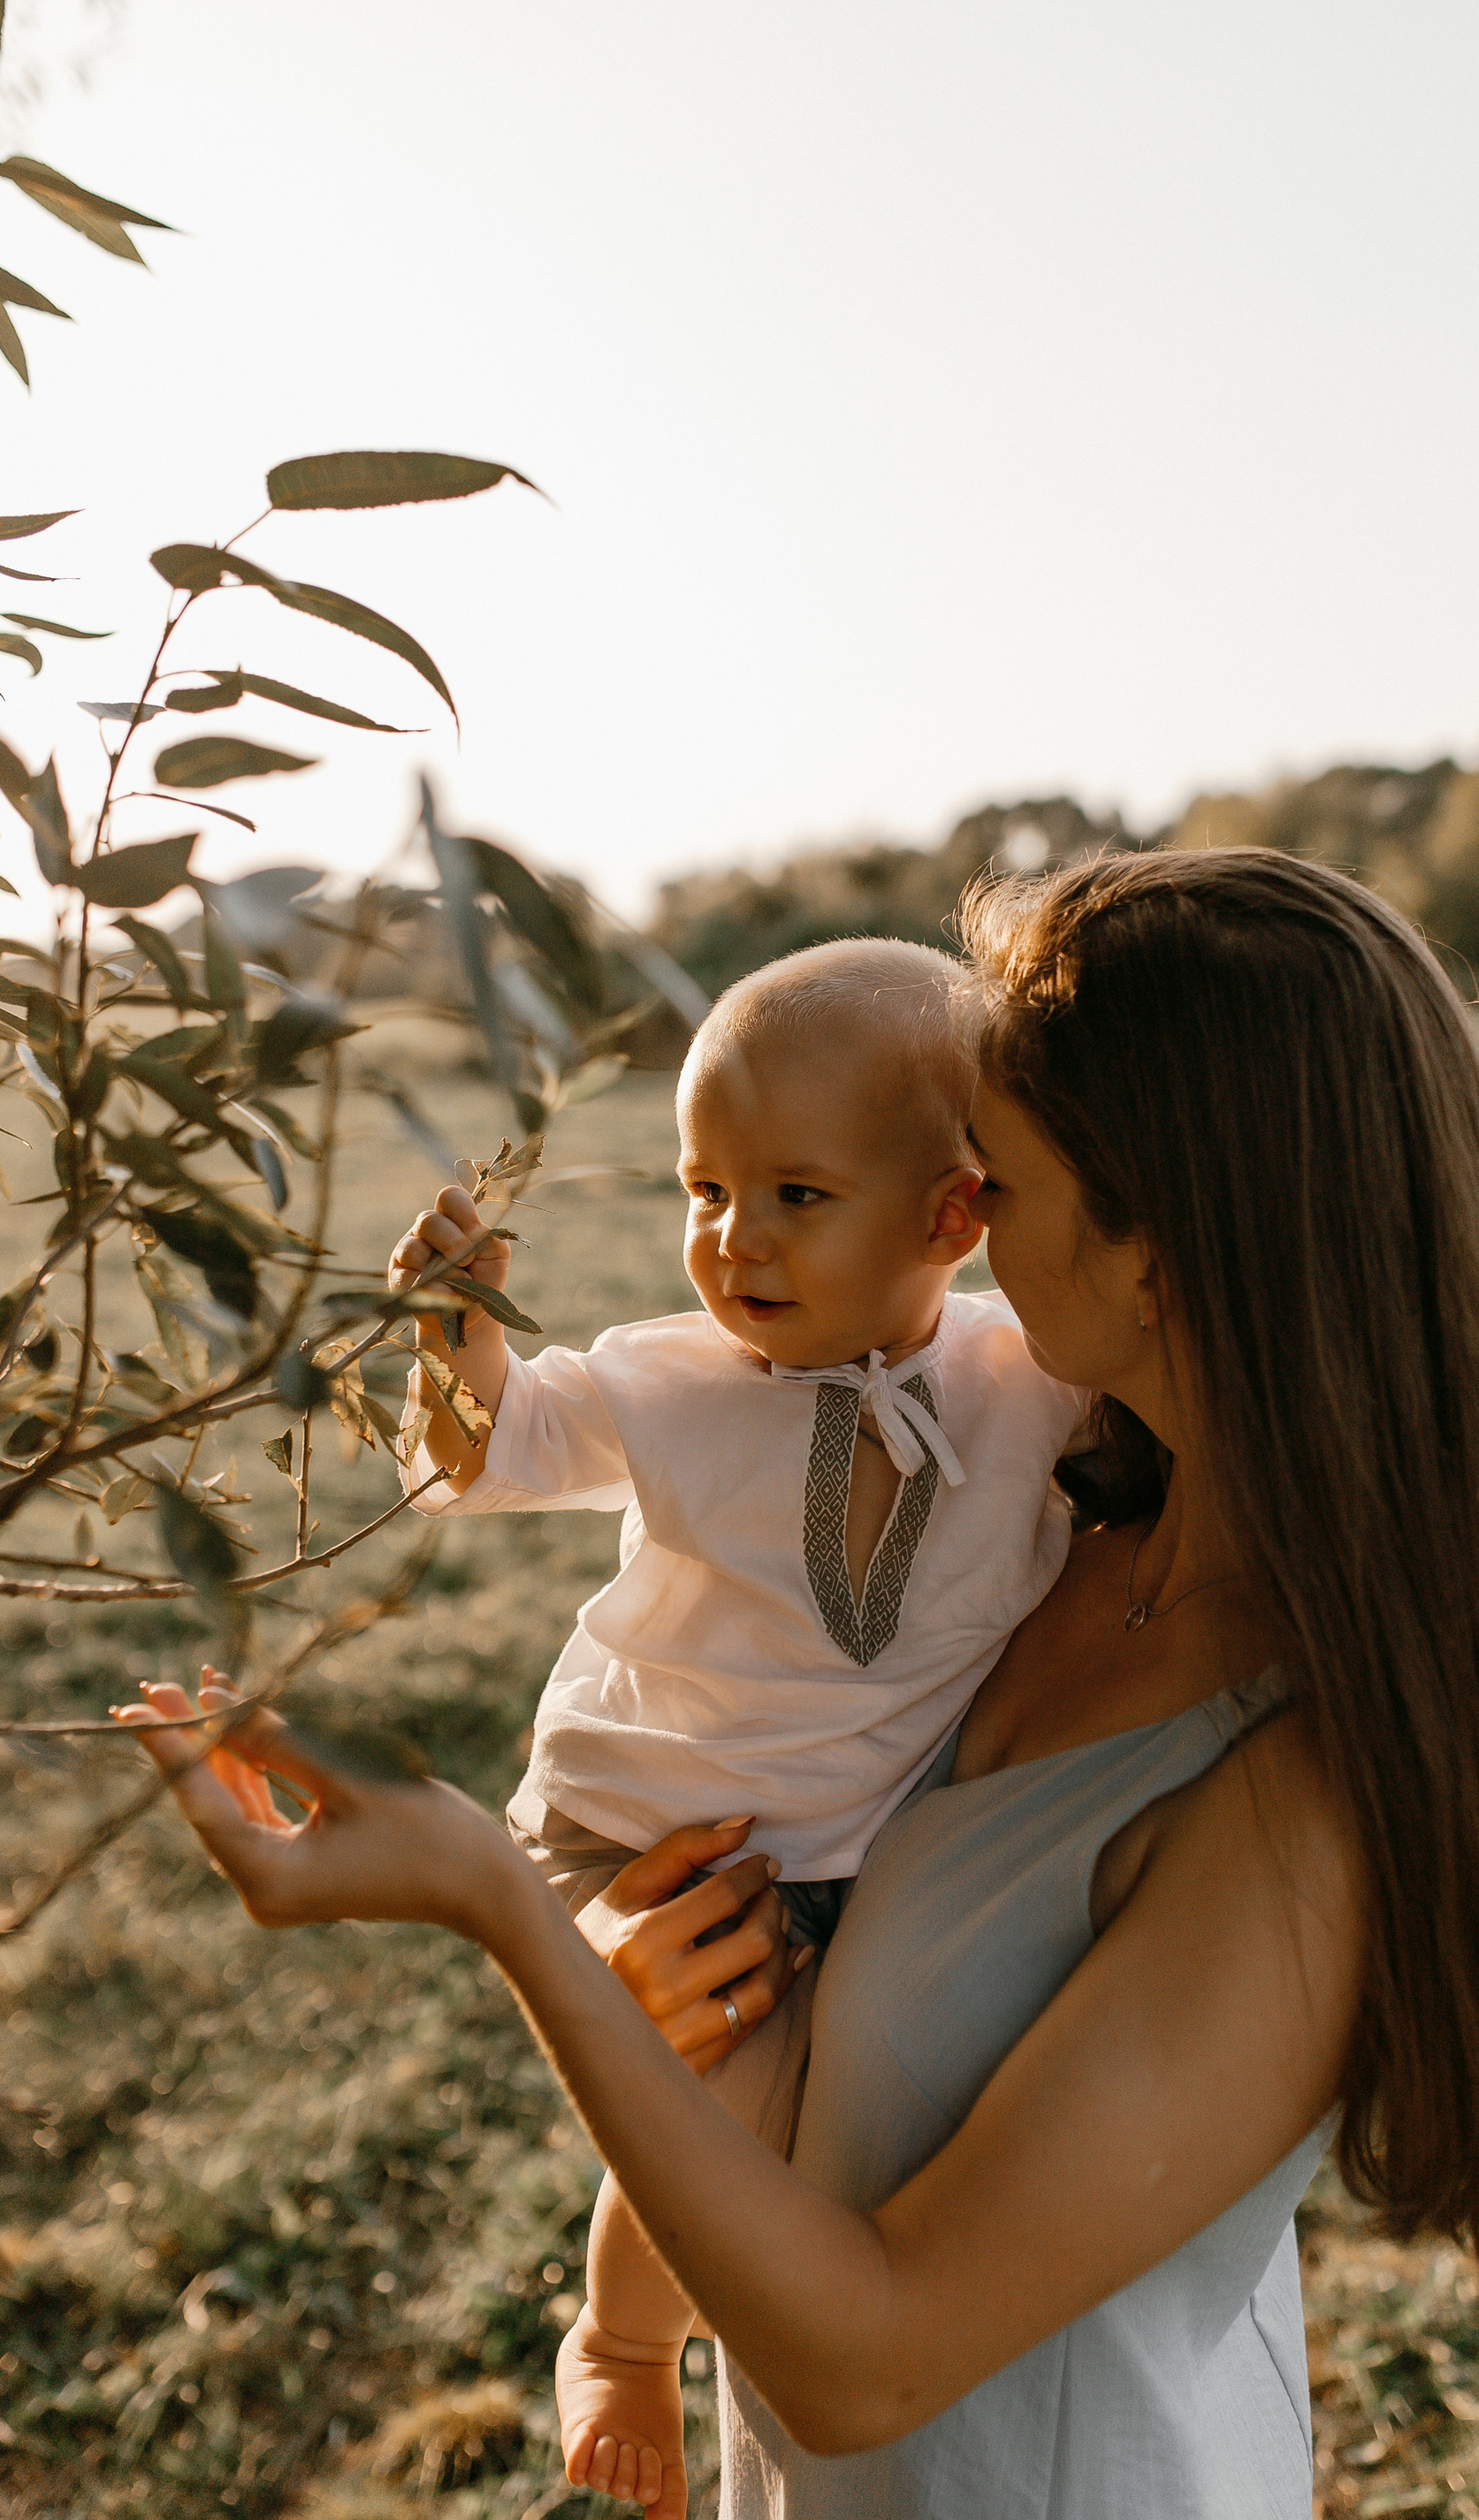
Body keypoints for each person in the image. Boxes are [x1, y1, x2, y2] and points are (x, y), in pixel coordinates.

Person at [121, 849, 1479, 2520]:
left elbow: (870, 2360)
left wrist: (494, 1901)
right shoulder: (1071, 1540)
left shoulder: (1299, 1803)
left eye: (994, 1185)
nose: (965, 1228)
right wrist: (643, 1983)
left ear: (1163, 1253)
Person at [385, 938, 1093, 2501]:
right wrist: (455, 1340)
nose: (731, 1241)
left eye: (795, 1195)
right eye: (703, 1189)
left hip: (843, 1850)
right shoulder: (673, 1381)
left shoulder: (1029, 1382)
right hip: (645, 1825)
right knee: (721, 2095)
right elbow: (487, 1454)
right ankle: (623, 2339)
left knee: (827, 2130)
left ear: (953, 1215)